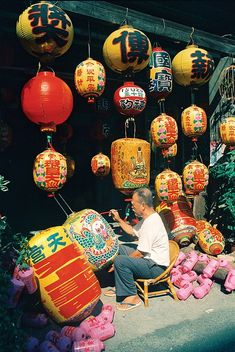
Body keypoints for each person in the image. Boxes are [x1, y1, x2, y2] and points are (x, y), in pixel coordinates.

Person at [105, 187, 170, 311]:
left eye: (133, 204)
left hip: (156, 267)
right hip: (149, 260)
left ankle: (132, 297)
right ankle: (121, 285)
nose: (132, 207)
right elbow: (131, 231)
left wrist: (117, 264)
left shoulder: (151, 223)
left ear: (143, 205)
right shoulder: (148, 218)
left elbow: (140, 253)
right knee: (120, 249)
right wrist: (118, 219)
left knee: (120, 261)